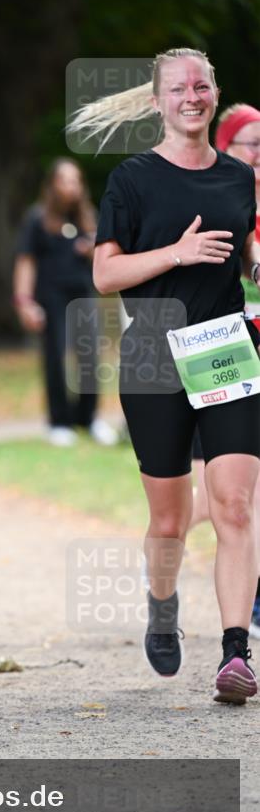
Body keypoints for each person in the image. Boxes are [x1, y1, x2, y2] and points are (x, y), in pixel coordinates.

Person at [70, 47, 260, 703]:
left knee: (234, 502)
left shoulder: (239, 180)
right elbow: (103, 274)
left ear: (213, 93)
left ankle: (235, 653)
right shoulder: (131, 179)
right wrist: (175, 252)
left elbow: (241, 260)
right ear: (157, 102)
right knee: (170, 522)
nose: (191, 94)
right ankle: (161, 603)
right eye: (177, 87)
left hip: (223, 348)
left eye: (201, 84)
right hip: (152, 352)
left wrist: (253, 269)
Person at [188, 104, 260, 640]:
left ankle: (250, 605)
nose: (257, 156)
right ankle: (164, 541)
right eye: (249, 144)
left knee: (247, 494)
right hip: (221, 343)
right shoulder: (214, 195)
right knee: (221, 494)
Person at [13, 158, 117, 447]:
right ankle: (59, 422)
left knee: (90, 359)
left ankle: (88, 418)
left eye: (76, 181)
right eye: (65, 180)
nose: (71, 187)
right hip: (51, 298)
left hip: (83, 295)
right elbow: (26, 262)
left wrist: (92, 251)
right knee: (55, 358)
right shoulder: (37, 219)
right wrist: (24, 302)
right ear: (52, 185)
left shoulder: (87, 217)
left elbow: (106, 261)